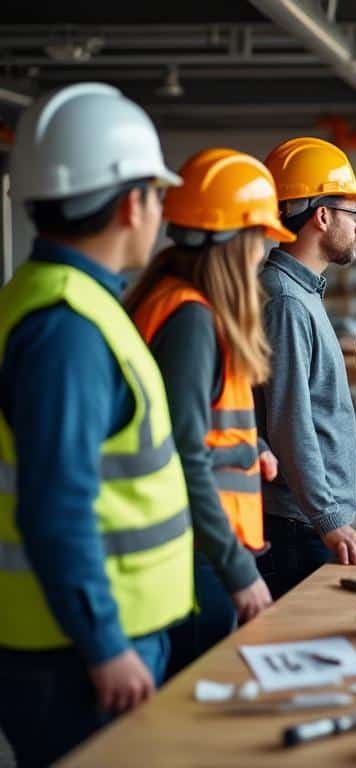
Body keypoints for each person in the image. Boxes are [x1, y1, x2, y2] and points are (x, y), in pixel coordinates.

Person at [0, 83, 193, 766]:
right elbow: (56, 507)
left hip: (86, 639)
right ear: (131, 202)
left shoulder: (68, 302)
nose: (159, 212)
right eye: (156, 194)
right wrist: (105, 644)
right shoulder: (68, 329)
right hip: (81, 654)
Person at [126, 149, 295, 675]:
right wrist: (237, 570)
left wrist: (252, 447)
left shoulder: (172, 301)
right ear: (232, 241)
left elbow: (195, 418)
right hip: (204, 553)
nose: (262, 254)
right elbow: (186, 453)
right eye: (259, 238)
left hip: (200, 545)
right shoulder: (191, 320)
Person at [253, 137, 356, 597]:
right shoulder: (285, 300)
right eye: (354, 213)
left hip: (307, 521)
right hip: (297, 527)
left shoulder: (300, 292)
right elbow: (289, 421)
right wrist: (328, 518)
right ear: (322, 216)